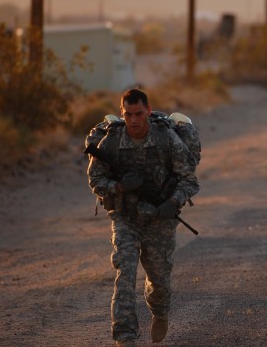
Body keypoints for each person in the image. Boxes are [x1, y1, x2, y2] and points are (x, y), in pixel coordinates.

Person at [87, 89, 199, 346]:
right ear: (122, 113)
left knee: (158, 281)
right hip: (125, 218)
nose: (134, 120)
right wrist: (119, 187)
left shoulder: (166, 139)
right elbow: (95, 179)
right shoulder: (112, 141)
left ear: (148, 111)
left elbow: (189, 180)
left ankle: (159, 312)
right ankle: (125, 336)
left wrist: (173, 202)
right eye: (128, 114)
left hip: (160, 220)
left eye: (139, 113)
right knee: (125, 273)